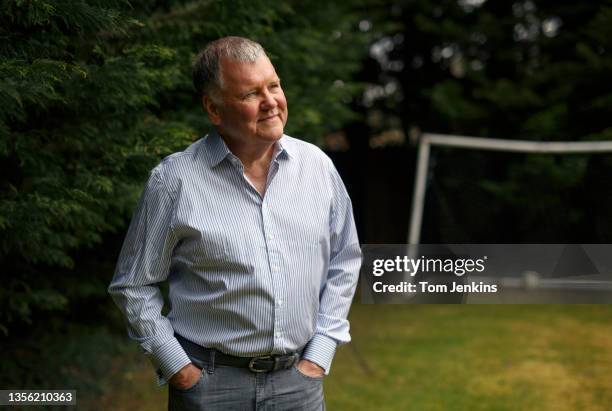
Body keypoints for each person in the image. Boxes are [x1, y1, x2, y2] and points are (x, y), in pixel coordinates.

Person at [108, 36, 362, 411]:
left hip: (299, 385)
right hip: (209, 387)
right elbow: (133, 285)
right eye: (250, 94)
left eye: (273, 85)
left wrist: (319, 354)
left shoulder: (318, 167)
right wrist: (179, 369)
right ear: (214, 108)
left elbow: (345, 259)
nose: (271, 102)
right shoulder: (174, 181)